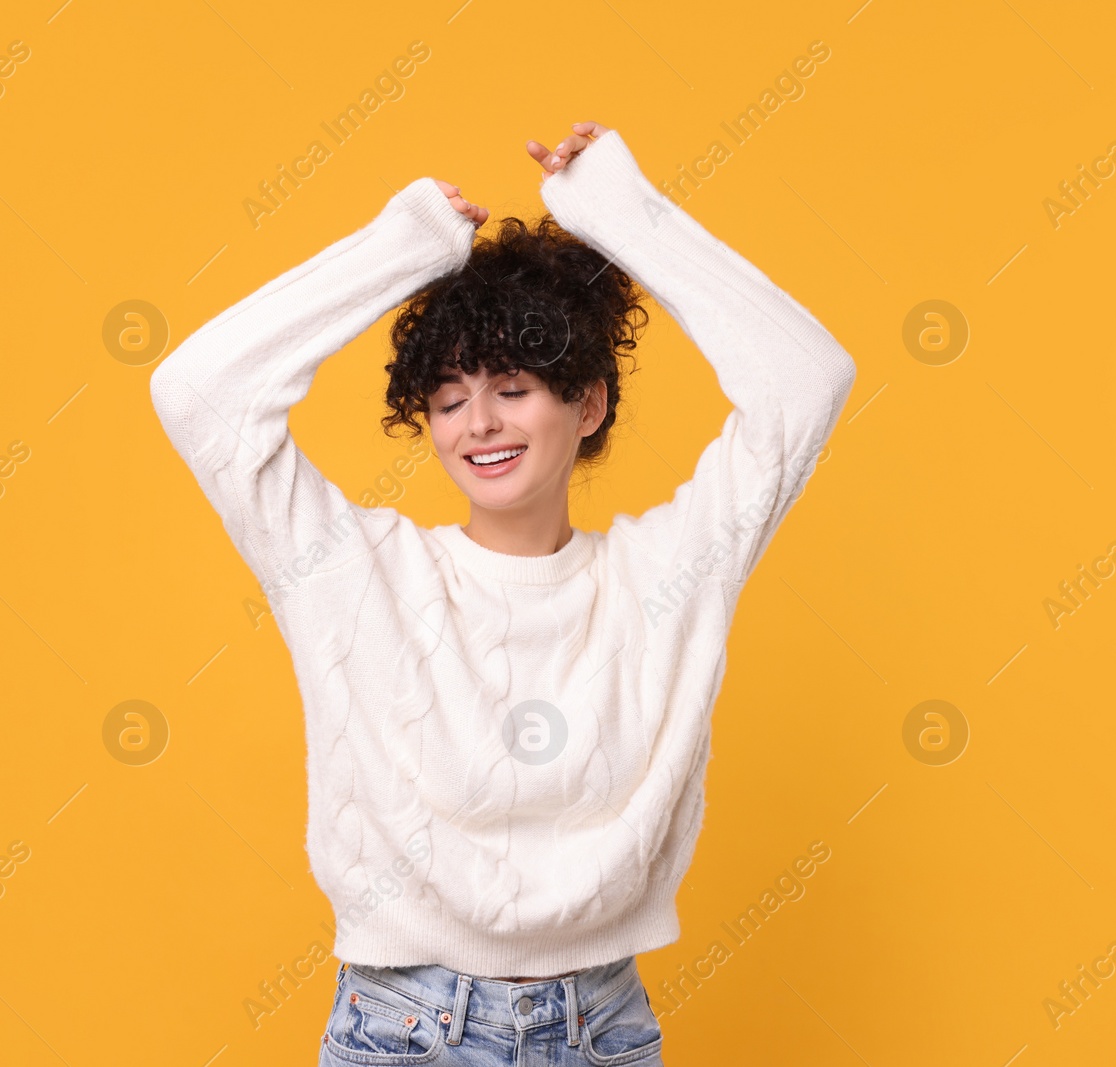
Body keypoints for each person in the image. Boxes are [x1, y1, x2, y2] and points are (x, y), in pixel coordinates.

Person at [149, 120, 856, 1065]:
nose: (478, 422)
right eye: (447, 397)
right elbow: (200, 392)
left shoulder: (668, 575)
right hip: (405, 1030)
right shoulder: (358, 573)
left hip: (599, 1029)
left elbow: (807, 382)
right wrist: (403, 249)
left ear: (588, 402)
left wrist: (618, 216)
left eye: (513, 387)